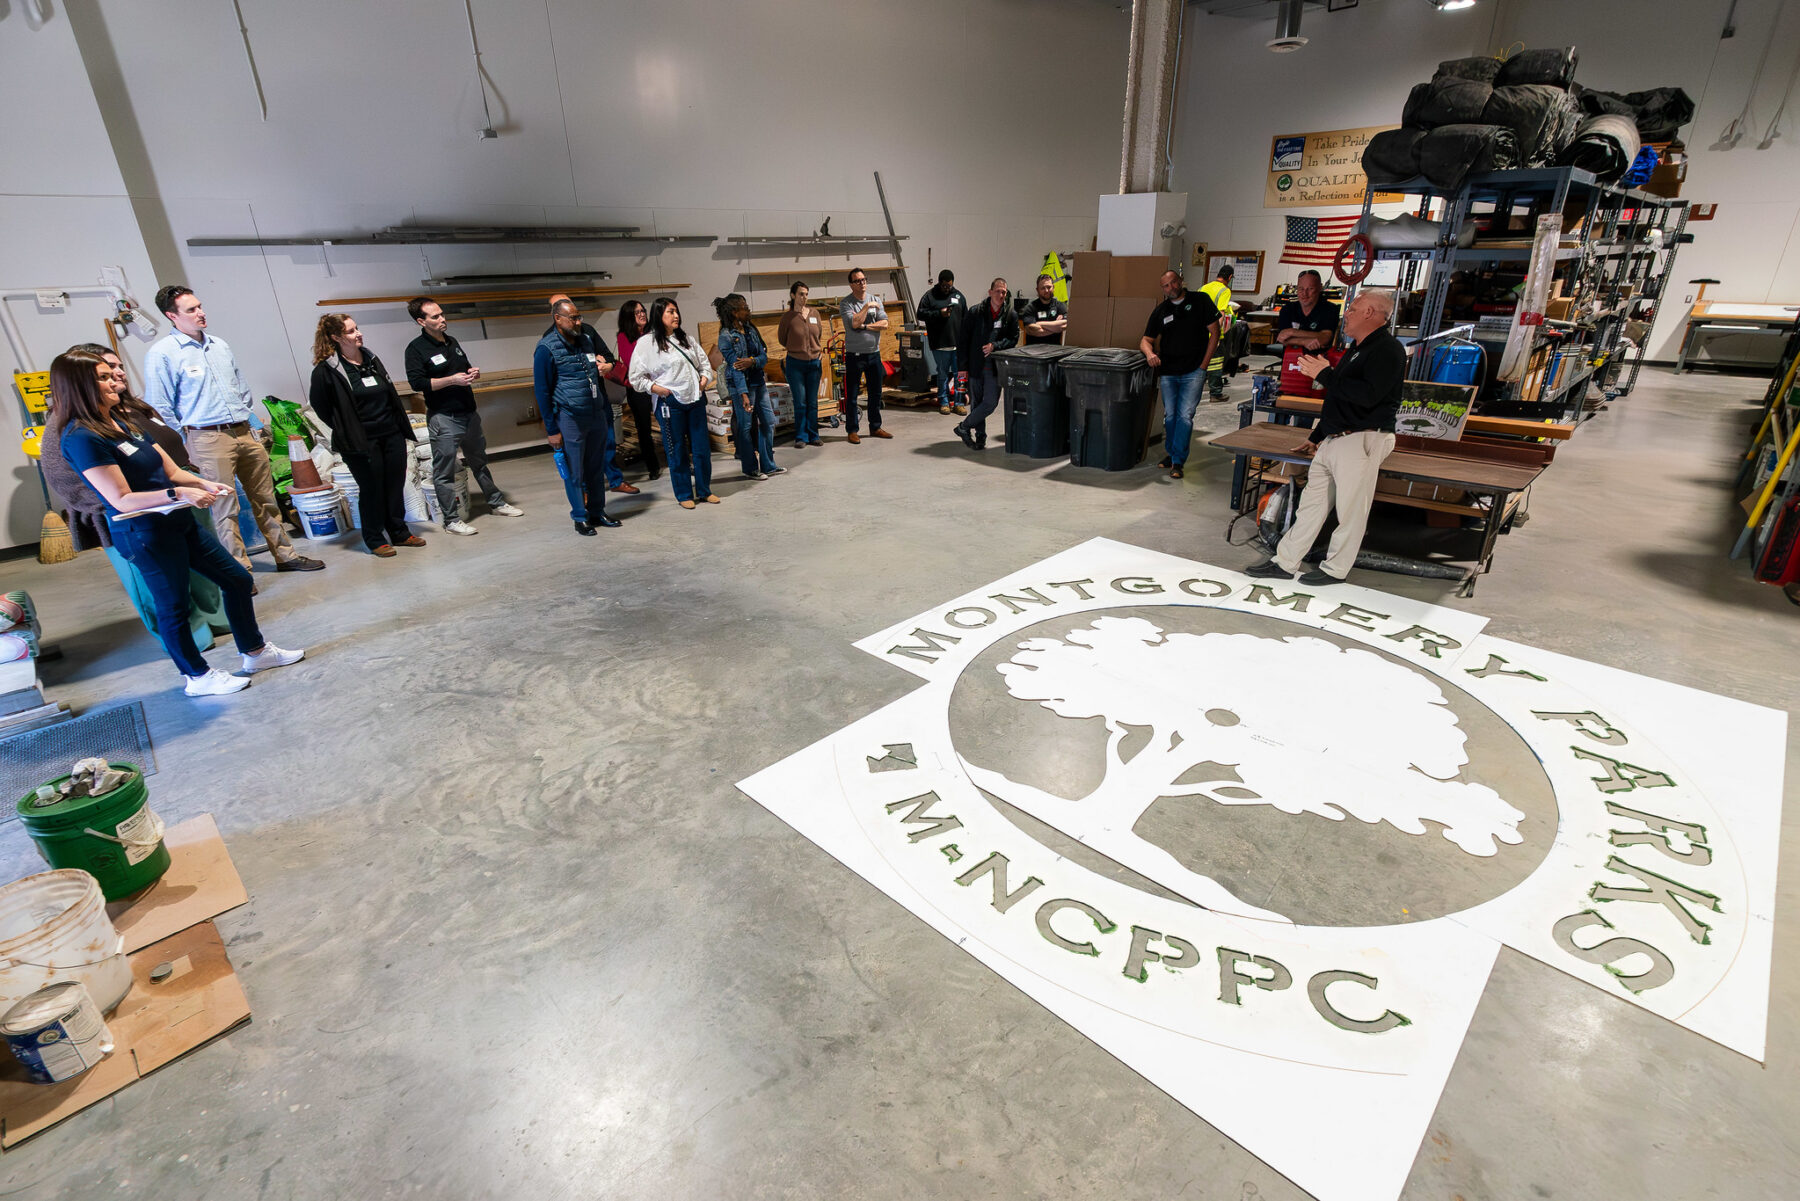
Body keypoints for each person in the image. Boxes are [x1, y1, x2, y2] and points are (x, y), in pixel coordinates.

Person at [50, 347, 304, 697]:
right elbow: (120, 499)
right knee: (173, 606)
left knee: (236, 579)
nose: (114, 380)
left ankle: (255, 652)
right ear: (79, 387)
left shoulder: (120, 419)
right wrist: (178, 495)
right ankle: (196, 677)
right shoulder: (81, 437)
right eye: (104, 377)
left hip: (178, 522)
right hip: (144, 532)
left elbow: (167, 467)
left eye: (113, 373)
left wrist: (200, 483)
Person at [39, 347, 232, 644]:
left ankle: (217, 620)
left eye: (117, 367)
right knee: (162, 590)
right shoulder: (69, 426)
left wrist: (192, 483)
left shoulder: (131, 409)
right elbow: (65, 478)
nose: (118, 374)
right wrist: (112, 506)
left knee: (200, 575)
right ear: (85, 381)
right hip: (132, 513)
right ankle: (191, 643)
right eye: (106, 372)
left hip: (176, 500)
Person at [143, 285, 324, 575]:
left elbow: (242, 388)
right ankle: (239, 570)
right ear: (171, 316)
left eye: (200, 306)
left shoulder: (219, 345)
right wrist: (186, 440)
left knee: (265, 498)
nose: (201, 313)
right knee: (225, 507)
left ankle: (286, 555)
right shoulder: (162, 354)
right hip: (206, 437)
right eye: (191, 310)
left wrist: (246, 420)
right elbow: (159, 406)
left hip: (243, 432)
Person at [1247, 289, 1405, 586]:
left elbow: (1368, 397)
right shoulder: (1358, 347)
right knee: (1311, 504)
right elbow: (1339, 398)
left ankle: (1335, 569)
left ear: (1371, 312)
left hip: (1362, 439)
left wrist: (1326, 375)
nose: (1347, 313)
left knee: (1351, 511)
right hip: (1336, 438)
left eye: (1354, 308)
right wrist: (1317, 435)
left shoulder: (1387, 350)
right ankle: (1285, 562)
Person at [403, 297, 524, 535]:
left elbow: (464, 367)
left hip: (468, 412)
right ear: (421, 321)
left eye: (442, 314)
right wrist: (452, 380)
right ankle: (450, 520)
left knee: (480, 462)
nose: (442, 319)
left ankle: (497, 503)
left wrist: (472, 372)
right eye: (435, 316)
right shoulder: (416, 349)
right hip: (444, 418)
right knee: (444, 471)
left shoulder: (451, 341)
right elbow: (418, 383)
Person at [308, 314, 425, 558]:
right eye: (351, 331)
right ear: (336, 337)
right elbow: (321, 406)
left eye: (357, 328)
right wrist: (346, 426)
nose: (358, 333)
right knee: (372, 489)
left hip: (391, 433)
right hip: (360, 441)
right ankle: (373, 538)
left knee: (394, 484)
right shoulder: (327, 370)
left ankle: (399, 532)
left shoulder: (371, 359)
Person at [535, 299, 621, 534]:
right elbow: (542, 391)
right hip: (570, 417)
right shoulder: (546, 348)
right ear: (557, 318)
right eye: (572, 317)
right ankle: (579, 516)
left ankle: (597, 511)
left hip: (595, 412)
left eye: (578, 316)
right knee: (575, 471)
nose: (578, 321)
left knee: (596, 466)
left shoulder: (586, 339)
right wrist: (552, 430)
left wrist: (608, 365)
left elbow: (604, 363)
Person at [544, 293, 637, 497]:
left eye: (572, 307)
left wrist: (606, 365)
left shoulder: (587, 332)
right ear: (556, 315)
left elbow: (610, 358)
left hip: (598, 400)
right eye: (563, 308)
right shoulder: (548, 342)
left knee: (608, 442)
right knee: (579, 453)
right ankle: (584, 491)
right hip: (573, 408)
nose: (574, 316)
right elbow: (547, 385)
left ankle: (615, 480)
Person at [630, 297, 718, 510]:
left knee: (701, 449)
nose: (676, 315)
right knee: (676, 449)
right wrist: (659, 390)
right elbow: (636, 378)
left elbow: (704, 363)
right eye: (670, 312)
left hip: (695, 399)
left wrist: (704, 379)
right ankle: (684, 493)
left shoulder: (685, 338)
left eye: (676, 311)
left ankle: (704, 490)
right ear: (658, 315)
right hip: (670, 403)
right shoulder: (647, 344)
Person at [1140, 270, 1221, 480]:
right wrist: (1149, 354)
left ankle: (1178, 461)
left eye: (1174, 282)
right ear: (1163, 289)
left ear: (1181, 281)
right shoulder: (1161, 310)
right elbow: (1145, 340)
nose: (1171, 288)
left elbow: (1215, 332)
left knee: (1185, 416)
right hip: (1168, 372)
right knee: (1170, 416)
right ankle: (1173, 453)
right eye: (1166, 285)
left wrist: (1204, 365)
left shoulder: (1200, 300)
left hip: (1194, 370)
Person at [715, 294, 782, 481]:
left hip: (758, 383)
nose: (748, 310)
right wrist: (743, 394)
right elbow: (736, 368)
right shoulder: (726, 336)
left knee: (768, 422)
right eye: (744, 307)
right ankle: (750, 468)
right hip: (741, 387)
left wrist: (752, 361)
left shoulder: (751, 330)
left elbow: (764, 357)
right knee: (745, 427)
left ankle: (768, 465)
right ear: (735, 312)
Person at [953, 278, 1020, 451]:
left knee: (990, 403)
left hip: (995, 368)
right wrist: (962, 367)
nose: (1000, 295)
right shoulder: (976, 312)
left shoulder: (1010, 314)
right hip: (975, 365)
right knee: (977, 403)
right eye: (997, 291)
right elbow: (963, 341)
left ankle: (963, 427)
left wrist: (995, 346)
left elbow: (1013, 338)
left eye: (1004, 292)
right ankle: (980, 438)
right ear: (990, 292)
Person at [607, 300, 663, 479]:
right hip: (638, 388)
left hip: (660, 384)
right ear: (629, 317)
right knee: (644, 428)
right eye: (637, 312)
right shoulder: (624, 336)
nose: (642, 314)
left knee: (668, 423)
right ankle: (652, 466)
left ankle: (681, 460)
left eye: (643, 310)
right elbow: (633, 363)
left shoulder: (654, 331)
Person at [837, 268, 891, 443]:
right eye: (858, 281)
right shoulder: (846, 303)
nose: (862, 283)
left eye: (864, 279)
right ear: (851, 284)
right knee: (852, 395)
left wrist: (867, 327)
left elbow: (885, 323)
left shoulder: (876, 299)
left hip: (874, 354)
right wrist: (867, 307)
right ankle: (852, 430)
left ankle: (875, 426)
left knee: (876, 393)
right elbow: (854, 323)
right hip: (855, 355)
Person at [777, 283, 825, 448]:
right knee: (800, 401)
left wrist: (816, 352)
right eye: (801, 294)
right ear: (793, 296)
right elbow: (782, 339)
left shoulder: (814, 313)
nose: (804, 298)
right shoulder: (788, 317)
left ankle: (814, 434)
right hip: (795, 363)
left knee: (812, 401)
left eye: (806, 294)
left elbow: (819, 333)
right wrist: (797, 349)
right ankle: (801, 436)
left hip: (814, 363)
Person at [915, 269, 968, 415]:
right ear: (939, 283)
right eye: (945, 286)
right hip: (940, 344)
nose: (947, 289)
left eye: (949, 286)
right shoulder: (930, 296)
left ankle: (958, 402)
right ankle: (944, 402)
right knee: (943, 374)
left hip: (958, 344)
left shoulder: (958, 296)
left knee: (960, 376)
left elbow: (966, 318)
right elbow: (920, 313)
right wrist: (939, 313)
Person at [1275, 269, 1341, 353]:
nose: (1305, 293)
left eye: (1310, 289)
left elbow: (1325, 338)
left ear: (1320, 287)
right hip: (1290, 357)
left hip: (1318, 359)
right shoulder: (1287, 309)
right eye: (1301, 289)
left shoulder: (1330, 309)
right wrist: (1304, 342)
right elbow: (1281, 338)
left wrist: (1292, 332)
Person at [1198, 264, 1236, 401]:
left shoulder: (1203, 287)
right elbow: (1219, 315)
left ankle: (1194, 391)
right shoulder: (1224, 291)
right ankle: (1215, 393)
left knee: (1198, 362)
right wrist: (1215, 336)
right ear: (1230, 277)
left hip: (1198, 333)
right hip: (1211, 333)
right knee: (1215, 363)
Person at [1022, 273, 1069, 346]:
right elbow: (1032, 330)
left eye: (1049, 287)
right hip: (1033, 351)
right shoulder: (1030, 308)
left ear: (1053, 287)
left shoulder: (1060, 306)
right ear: (1037, 290)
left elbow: (1066, 324)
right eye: (1043, 288)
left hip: (1055, 351)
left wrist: (1040, 324)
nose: (1046, 290)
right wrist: (1056, 327)